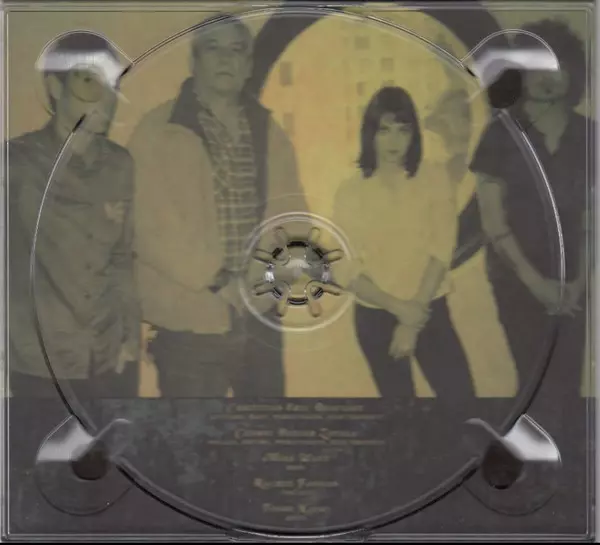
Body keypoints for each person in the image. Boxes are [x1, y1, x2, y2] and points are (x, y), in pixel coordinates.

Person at [128, 13, 304, 398]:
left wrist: (266, 282)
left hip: (260, 320)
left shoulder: (270, 132)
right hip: (188, 325)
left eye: (237, 50)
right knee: (194, 433)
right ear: (193, 61)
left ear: (248, 65)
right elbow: (148, 226)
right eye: (214, 49)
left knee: (264, 430)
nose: (226, 59)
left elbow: (293, 218)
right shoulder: (156, 132)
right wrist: (221, 281)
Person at [8, 31, 141, 400]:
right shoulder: (16, 163)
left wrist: (131, 339)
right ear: (55, 87)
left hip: (110, 360)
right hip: (40, 366)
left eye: (112, 84)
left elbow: (123, 259)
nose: (106, 98)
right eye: (88, 82)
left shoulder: (120, 165)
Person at [468, 19, 591, 399]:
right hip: (516, 279)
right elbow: (493, 223)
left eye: (557, 67)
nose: (545, 78)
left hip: (573, 281)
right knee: (533, 384)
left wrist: (578, 285)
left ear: (574, 73)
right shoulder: (499, 135)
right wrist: (536, 285)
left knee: (568, 386)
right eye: (535, 67)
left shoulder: (590, 134)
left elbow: (593, 219)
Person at [332, 86, 475, 400]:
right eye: (384, 130)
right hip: (376, 314)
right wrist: (398, 309)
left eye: (403, 130)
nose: (394, 141)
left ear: (414, 134)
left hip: (429, 307)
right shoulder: (350, 192)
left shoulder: (435, 177)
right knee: (401, 413)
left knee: (462, 402)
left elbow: (441, 249)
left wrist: (411, 321)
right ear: (370, 134)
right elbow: (346, 269)